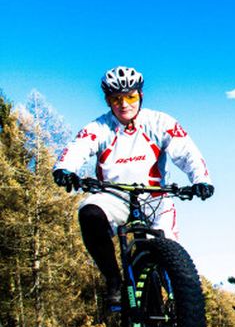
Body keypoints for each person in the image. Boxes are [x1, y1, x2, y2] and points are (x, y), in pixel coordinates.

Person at [52, 66, 214, 308]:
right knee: (89, 213)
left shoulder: (160, 122)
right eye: (116, 99)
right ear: (108, 101)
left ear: (140, 95)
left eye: (130, 97)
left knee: (172, 255)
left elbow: (187, 152)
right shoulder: (98, 128)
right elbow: (77, 148)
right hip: (113, 195)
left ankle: (181, 306)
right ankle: (114, 281)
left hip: (155, 197)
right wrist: (65, 170)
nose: (124, 104)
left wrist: (201, 179)